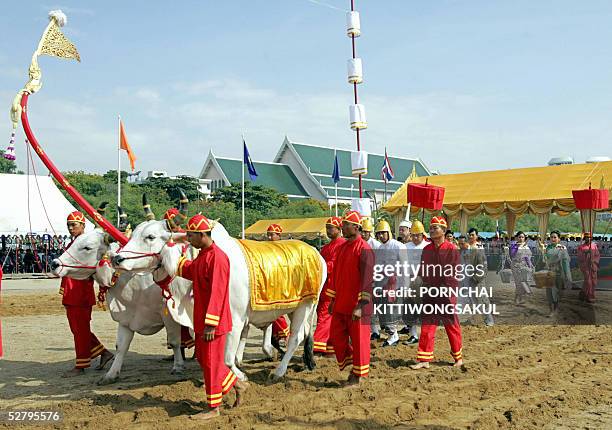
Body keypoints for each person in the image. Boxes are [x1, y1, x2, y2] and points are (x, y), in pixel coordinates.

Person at [175, 214, 248, 419]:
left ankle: (213, 408)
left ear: (202, 235)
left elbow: (218, 292)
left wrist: (211, 324)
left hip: (212, 322)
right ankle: (237, 384)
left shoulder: (218, 257)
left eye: (190, 236)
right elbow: (194, 272)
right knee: (204, 359)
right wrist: (173, 262)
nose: (188, 240)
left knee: (210, 362)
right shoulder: (203, 254)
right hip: (201, 318)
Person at [60, 211, 114, 377]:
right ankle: (104, 353)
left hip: (80, 291)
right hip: (72, 292)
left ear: (83, 226)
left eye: (74, 225)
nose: (70, 228)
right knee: (79, 329)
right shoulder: (74, 243)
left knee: (80, 330)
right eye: (68, 225)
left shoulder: (87, 245)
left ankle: (81, 364)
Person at [326, 210, 374, 386]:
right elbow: (336, 276)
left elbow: (367, 279)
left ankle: (358, 374)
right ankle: (354, 365)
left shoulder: (365, 249)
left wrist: (361, 305)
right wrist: (332, 299)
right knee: (336, 337)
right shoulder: (342, 248)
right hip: (341, 303)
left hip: (358, 305)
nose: (343, 227)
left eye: (346, 225)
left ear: (356, 227)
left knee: (360, 341)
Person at [410, 216, 463, 370]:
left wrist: (446, 290)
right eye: (431, 227)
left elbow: (453, 273)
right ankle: (424, 359)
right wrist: (417, 281)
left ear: (444, 231)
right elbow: (422, 269)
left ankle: (458, 358)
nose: (432, 230)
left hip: (446, 292)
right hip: (429, 292)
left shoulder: (451, 249)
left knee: (451, 326)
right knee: (427, 325)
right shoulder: (426, 249)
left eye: (435, 227)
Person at [163, 208, 195, 360]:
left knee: (191, 318)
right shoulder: (165, 238)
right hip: (170, 284)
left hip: (186, 282)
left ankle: (197, 351)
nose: (171, 226)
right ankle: (178, 353)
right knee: (174, 318)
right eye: (168, 224)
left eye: (173, 223)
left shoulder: (188, 237)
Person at [313, 216, 345, 355]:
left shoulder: (342, 244)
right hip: (323, 286)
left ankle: (316, 346)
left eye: (330, 228)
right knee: (327, 318)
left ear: (339, 229)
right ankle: (330, 348)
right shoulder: (325, 247)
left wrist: (321, 266)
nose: (328, 231)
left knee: (324, 316)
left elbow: (335, 264)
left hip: (334, 287)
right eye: (327, 228)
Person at [373, 220, 408, 347]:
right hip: (383, 285)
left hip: (396, 285)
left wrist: (405, 287)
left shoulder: (399, 246)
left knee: (391, 311)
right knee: (383, 312)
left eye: (383, 233)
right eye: (378, 234)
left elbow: (405, 268)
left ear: (388, 233)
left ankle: (394, 336)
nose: (381, 236)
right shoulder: (379, 248)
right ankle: (392, 335)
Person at [401, 220, 428, 344]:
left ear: (423, 235)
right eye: (414, 235)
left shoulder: (428, 246)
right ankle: (413, 334)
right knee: (408, 307)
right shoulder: (406, 247)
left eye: (418, 235)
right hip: (408, 279)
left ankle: (425, 334)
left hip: (423, 281)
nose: (416, 237)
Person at [266, 224, 290, 351]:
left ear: (279, 235)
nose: (269, 237)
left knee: (276, 311)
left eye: (272, 235)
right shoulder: (265, 248)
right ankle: (275, 337)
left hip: (280, 283)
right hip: (269, 283)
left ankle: (284, 335)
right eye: (268, 235)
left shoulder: (283, 249)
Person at [466, 228, 494, 326]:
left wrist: (477, 277)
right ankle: (477, 318)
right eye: (469, 235)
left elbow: (483, 265)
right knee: (472, 299)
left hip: (478, 278)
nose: (470, 236)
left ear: (477, 236)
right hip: (467, 277)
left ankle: (489, 318)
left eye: (472, 235)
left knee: (483, 298)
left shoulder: (479, 248)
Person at [545, 230, 572, 317]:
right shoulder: (547, 248)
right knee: (549, 292)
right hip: (549, 273)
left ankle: (556, 309)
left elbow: (566, 262)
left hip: (558, 273)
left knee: (556, 292)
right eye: (551, 237)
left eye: (555, 237)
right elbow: (544, 260)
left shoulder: (562, 248)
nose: (553, 239)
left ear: (559, 239)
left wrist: (568, 275)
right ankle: (551, 310)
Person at [506, 231, 534, 305]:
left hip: (524, 265)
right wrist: (517, 247)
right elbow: (512, 255)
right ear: (516, 238)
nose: (521, 238)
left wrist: (530, 265)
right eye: (519, 237)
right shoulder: (514, 245)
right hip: (516, 265)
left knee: (523, 281)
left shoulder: (526, 246)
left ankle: (518, 298)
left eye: (522, 237)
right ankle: (517, 299)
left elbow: (527, 257)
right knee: (519, 282)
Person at [577, 232, 600, 303]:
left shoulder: (594, 246)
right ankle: (590, 296)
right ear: (585, 238)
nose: (588, 239)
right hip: (585, 266)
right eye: (587, 237)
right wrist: (586, 253)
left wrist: (594, 261)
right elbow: (579, 257)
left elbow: (597, 255)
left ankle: (583, 294)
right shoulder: (581, 247)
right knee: (588, 282)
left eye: (590, 237)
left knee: (594, 282)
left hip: (593, 266)